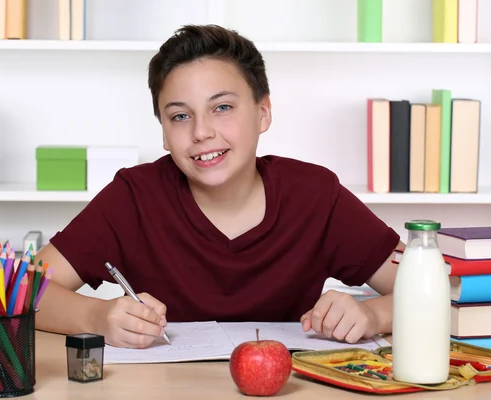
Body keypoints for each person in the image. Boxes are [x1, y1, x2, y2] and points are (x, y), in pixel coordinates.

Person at [35, 24, 404, 349]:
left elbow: (441, 290)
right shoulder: (133, 197)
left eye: (222, 107)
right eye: (180, 116)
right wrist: (96, 317)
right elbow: (18, 292)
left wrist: (373, 315)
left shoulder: (315, 195)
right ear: (164, 132)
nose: (201, 132)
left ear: (263, 113)